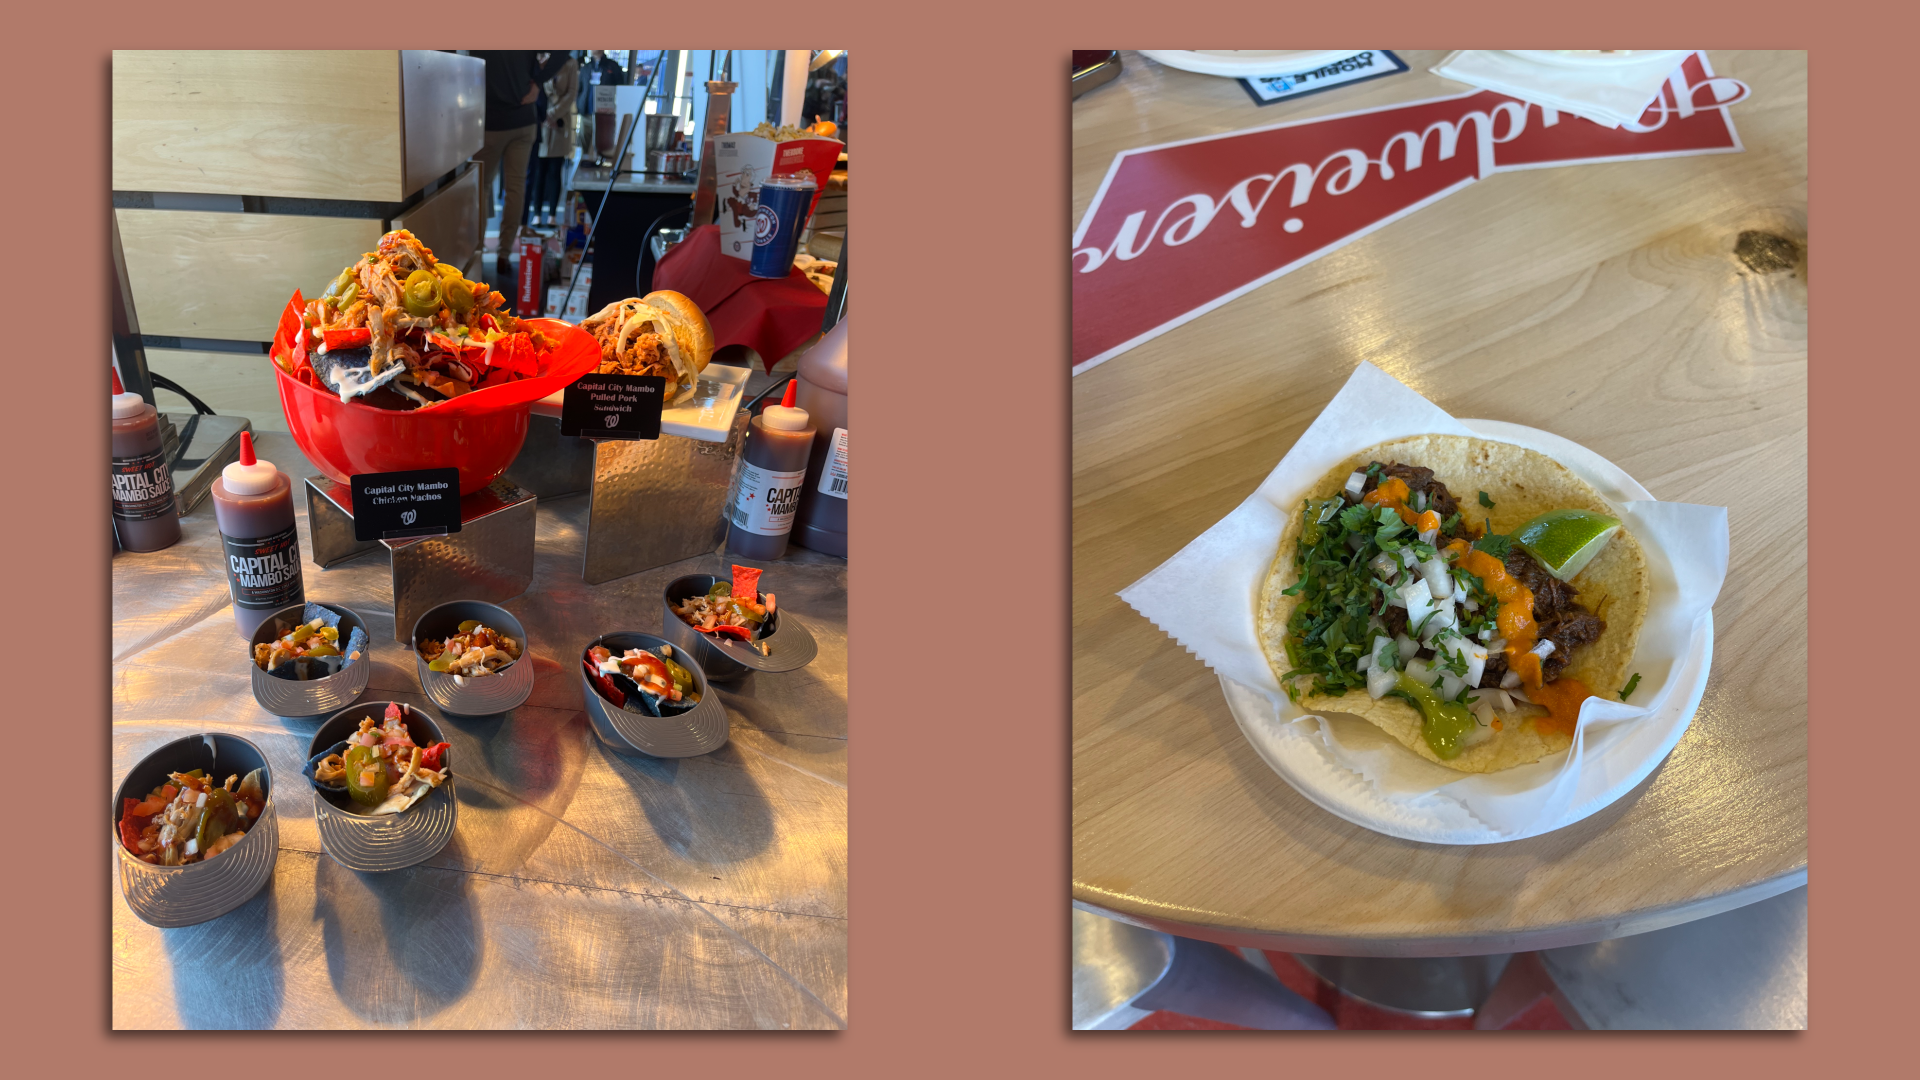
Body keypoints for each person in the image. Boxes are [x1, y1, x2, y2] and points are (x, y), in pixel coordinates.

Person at [472, 51, 569, 282]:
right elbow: (563, 51)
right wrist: (539, 82)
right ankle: (504, 254)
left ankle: (477, 253)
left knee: (481, 189)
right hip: (524, 121)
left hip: (490, 122)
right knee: (515, 188)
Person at [529, 52, 579, 228]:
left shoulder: (570, 63)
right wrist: (544, 114)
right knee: (539, 171)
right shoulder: (540, 58)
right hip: (541, 119)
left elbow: (571, 93)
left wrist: (554, 113)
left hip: (560, 121)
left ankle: (552, 214)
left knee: (555, 170)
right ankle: (536, 213)